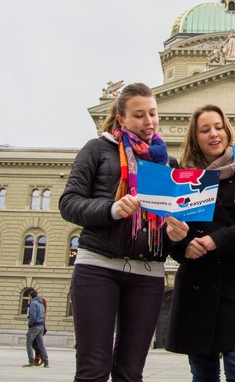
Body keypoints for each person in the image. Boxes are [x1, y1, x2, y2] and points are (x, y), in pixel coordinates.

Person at [59, 82, 189, 382]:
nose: (149, 122)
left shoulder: (166, 163)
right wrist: (112, 210)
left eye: (153, 114)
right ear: (121, 118)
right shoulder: (97, 149)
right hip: (98, 267)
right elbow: (68, 203)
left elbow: (168, 226)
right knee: (93, 369)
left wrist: (175, 234)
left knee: (131, 373)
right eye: (139, 115)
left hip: (147, 274)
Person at [165, 104, 235, 382]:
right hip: (196, 284)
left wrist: (214, 241)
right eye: (205, 129)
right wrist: (183, 244)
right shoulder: (182, 177)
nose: (214, 134)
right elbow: (171, 230)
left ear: (227, 130)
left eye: (218, 127)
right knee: (203, 375)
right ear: (195, 137)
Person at [23, 290, 49, 368]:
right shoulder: (41, 303)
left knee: (29, 343)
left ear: (31, 296)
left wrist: (30, 324)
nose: (28, 298)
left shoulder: (33, 304)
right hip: (41, 325)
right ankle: (46, 362)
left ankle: (31, 361)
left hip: (35, 325)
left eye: (29, 296)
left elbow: (33, 316)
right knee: (41, 344)